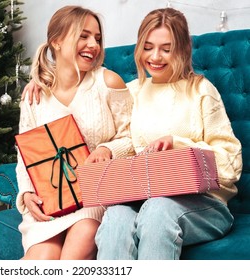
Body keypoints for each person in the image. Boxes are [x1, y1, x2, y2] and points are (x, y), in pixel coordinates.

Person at [95, 7, 243, 259]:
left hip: (206, 204)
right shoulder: (131, 91)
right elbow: (127, 141)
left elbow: (231, 162)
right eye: (148, 46)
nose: (155, 57)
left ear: (183, 49)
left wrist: (178, 145)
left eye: (166, 48)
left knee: (158, 209)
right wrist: (107, 148)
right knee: (116, 216)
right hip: (142, 198)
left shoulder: (201, 90)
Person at [15, 5, 134, 260]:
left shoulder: (108, 82)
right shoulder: (34, 96)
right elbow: (24, 156)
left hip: (96, 199)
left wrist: (107, 149)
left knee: (71, 259)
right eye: (84, 36)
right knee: (40, 260)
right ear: (56, 41)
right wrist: (25, 194)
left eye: (98, 39)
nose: (93, 44)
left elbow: (134, 137)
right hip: (50, 204)